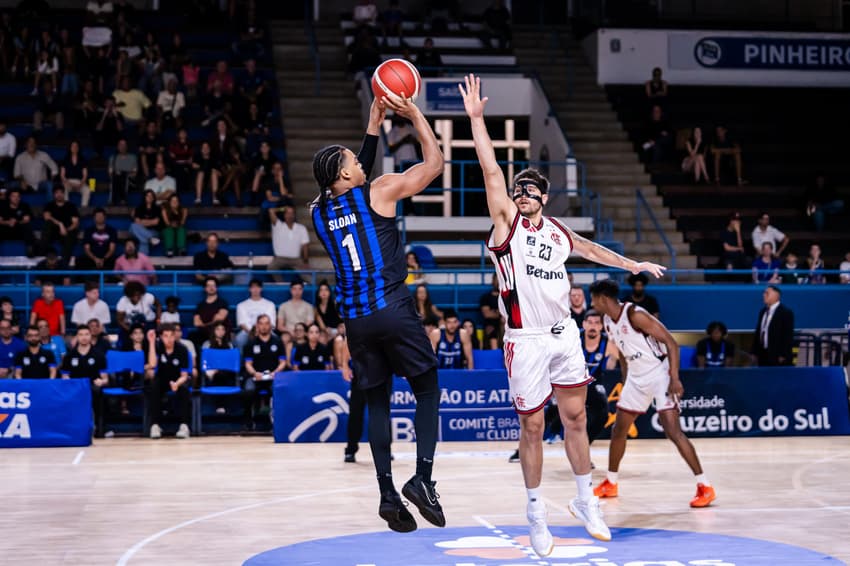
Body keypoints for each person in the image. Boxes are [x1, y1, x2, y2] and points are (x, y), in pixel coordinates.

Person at [460, 73, 666, 549]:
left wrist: (632, 262)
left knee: (576, 418)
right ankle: (535, 513)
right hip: (525, 339)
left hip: (563, 335)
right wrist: (476, 121)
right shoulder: (506, 225)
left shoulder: (557, 232)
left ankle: (583, 498)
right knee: (532, 426)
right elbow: (491, 172)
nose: (523, 192)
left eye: (532, 189)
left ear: (545, 197)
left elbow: (592, 249)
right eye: (520, 188)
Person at [310, 93, 445, 533]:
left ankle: (387, 493)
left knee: (378, 403)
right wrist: (414, 116)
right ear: (346, 173)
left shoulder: (318, 211)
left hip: (357, 321)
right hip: (392, 307)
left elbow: (351, 176)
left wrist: (372, 124)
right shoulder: (382, 190)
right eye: (354, 159)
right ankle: (422, 479)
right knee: (426, 389)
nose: (362, 160)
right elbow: (435, 164)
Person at [589, 279, 716, 508]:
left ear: (603, 299)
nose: (592, 303)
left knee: (673, 431)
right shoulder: (608, 322)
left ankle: (704, 486)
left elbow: (670, 343)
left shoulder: (635, 314)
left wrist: (675, 378)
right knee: (619, 430)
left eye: (594, 299)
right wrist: (626, 381)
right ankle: (611, 482)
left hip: (660, 374)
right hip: (636, 379)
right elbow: (623, 351)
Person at [510, 309, 616, 462]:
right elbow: (555, 358)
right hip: (570, 381)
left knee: (602, 414)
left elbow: (612, 366)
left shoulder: (609, 342)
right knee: (548, 413)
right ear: (584, 324)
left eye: (597, 323)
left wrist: (615, 352)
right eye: (590, 322)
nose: (593, 326)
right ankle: (522, 451)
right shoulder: (573, 338)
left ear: (602, 326)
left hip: (593, 383)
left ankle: (581, 451)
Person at [145, 325, 191, 439]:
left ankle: (184, 426)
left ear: (175, 336)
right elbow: (152, 364)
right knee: (153, 385)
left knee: (185, 389)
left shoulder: (182, 349)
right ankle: (155, 425)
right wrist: (151, 342)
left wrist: (177, 384)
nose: (169, 339)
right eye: (165, 336)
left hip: (177, 380)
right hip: (162, 379)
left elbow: (184, 376)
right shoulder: (157, 346)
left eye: (171, 336)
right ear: (160, 337)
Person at [241, 314, 286, 431]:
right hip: (256, 376)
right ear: (257, 326)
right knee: (248, 390)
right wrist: (255, 373)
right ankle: (248, 421)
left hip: (272, 376)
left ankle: (277, 422)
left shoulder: (278, 342)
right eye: (261, 323)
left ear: (270, 325)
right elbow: (248, 364)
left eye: (267, 323)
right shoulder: (250, 343)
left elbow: (283, 362)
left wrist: (275, 372)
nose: (264, 326)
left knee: (277, 390)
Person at [61, 325, 108, 436]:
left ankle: (98, 428)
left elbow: (105, 378)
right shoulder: (69, 356)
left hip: (92, 386)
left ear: (91, 336)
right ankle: (70, 428)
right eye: (81, 334)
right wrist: (69, 383)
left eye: (86, 334)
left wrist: (102, 381)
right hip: (75, 387)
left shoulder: (99, 355)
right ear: (77, 337)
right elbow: (65, 376)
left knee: (98, 393)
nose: (84, 337)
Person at [334, 327, 367, 463]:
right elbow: (349, 340)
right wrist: (345, 365)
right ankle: (351, 449)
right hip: (359, 372)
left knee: (382, 412)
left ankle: (385, 449)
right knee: (355, 412)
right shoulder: (358, 318)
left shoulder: (383, 318)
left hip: (381, 372)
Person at [750, 285, 794, 367]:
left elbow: (788, 336)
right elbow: (759, 332)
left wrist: (783, 354)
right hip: (763, 354)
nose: (764, 295)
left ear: (776, 295)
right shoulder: (762, 311)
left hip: (777, 356)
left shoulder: (785, 312)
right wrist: (754, 352)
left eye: (767, 293)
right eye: (764, 293)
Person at [201, 321, 237, 414]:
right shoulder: (207, 344)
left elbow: (231, 362)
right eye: (218, 329)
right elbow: (205, 362)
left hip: (227, 372)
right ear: (213, 331)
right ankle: (221, 405)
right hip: (211, 372)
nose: (220, 331)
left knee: (222, 374)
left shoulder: (229, 345)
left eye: (222, 329)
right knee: (218, 375)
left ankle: (221, 406)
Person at [268, 206, 310, 280]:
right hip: (280, 259)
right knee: (271, 267)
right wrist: (283, 208)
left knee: (309, 276)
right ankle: (281, 285)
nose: (290, 215)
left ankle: (312, 289)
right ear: (284, 215)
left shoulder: (301, 228)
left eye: (292, 213)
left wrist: (305, 261)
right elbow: (271, 211)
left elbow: (305, 245)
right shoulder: (278, 225)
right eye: (287, 213)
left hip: (296, 259)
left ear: (294, 215)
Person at [235, 279, 277, 351]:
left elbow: (271, 323)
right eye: (253, 287)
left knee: (277, 339)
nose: (255, 289)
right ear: (249, 289)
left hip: (266, 330)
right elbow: (242, 323)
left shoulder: (270, 304)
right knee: (239, 339)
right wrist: (252, 332)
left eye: (257, 287)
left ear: (261, 289)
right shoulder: (241, 305)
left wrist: (262, 331)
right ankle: (242, 361)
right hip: (248, 331)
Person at [76, 207, 119, 272]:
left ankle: (110, 281)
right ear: (94, 218)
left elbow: (112, 249)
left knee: (116, 261)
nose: (99, 218)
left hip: (106, 258)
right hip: (92, 258)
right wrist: (95, 258)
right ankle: (81, 282)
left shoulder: (112, 231)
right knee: (80, 260)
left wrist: (103, 259)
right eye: (97, 216)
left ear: (105, 217)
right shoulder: (88, 231)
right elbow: (86, 249)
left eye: (101, 216)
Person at [0, 187, 35, 255]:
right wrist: (8, 222)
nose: (16, 198)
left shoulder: (24, 206)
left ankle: (30, 249)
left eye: (18, 196)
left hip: (19, 230)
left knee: (27, 226)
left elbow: (27, 220)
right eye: (13, 196)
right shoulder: (3, 206)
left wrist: (16, 222)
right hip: (7, 230)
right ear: (9, 197)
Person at [129, 189, 161, 256]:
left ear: (154, 198)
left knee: (143, 241)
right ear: (144, 197)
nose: (150, 197)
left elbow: (156, 222)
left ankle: (142, 261)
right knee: (133, 226)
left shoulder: (157, 208)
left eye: (151, 196)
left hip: (153, 231)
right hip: (140, 230)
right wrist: (150, 222)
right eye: (148, 196)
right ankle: (150, 238)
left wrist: (143, 221)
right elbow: (137, 222)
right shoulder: (139, 208)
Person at [108, 138, 138, 205]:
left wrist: (124, 174)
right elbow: (110, 173)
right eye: (121, 145)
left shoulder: (133, 157)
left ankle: (116, 199)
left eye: (124, 145)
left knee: (123, 176)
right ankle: (121, 199)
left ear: (127, 146)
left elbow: (134, 173)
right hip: (115, 180)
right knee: (116, 177)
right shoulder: (113, 158)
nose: (122, 146)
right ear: (118, 146)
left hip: (129, 181)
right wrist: (118, 174)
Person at [193, 141, 221, 205]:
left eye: (207, 147)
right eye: (203, 147)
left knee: (214, 173)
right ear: (201, 150)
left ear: (209, 149)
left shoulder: (214, 159)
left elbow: (220, 174)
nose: (205, 149)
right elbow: (194, 167)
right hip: (200, 183)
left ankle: (215, 198)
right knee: (201, 173)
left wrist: (216, 171)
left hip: (211, 183)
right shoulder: (197, 158)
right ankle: (198, 198)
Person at [161, 193, 187, 258]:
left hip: (178, 227)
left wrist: (177, 224)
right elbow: (166, 223)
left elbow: (182, 222)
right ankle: (169, 250)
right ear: (169, 202)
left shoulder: (183, 210)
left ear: (179, 202)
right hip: (167, 229)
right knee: (169, 230)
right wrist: (172, 224)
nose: (174, 202)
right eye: (173, 201)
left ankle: (181, 249)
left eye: (176, 201)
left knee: (181, 229)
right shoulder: (164, 210)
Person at [479, 273, 501, 349]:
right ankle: (495, 354)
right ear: (493, 281)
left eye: (500, 279)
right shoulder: (486, 297)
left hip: (504, 324)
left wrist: (495, 312)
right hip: (491, 324)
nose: (498, 282)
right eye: (497, 279)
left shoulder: (507, 297)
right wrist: (500, 313)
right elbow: (487, 314)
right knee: (491, 329)